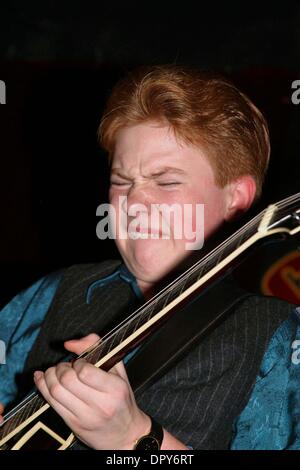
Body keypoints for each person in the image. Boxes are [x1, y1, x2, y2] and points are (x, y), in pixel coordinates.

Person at [0, 65, 299, 450]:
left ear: (235, 199)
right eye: (122, 181)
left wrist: (131, 438)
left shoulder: (276, 338)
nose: (134, 204)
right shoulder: (54, 293)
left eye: (166, 181)